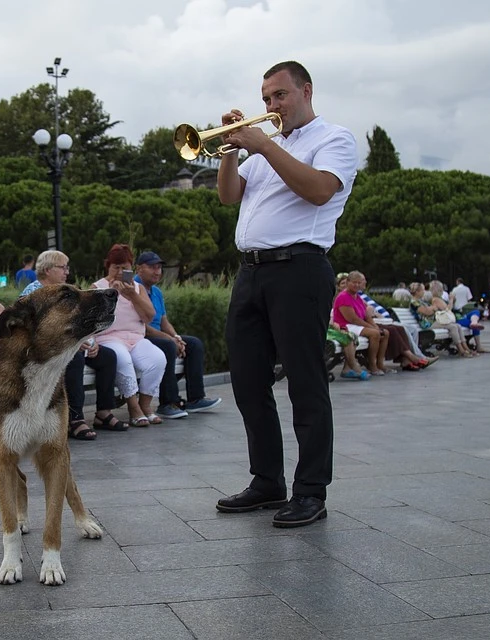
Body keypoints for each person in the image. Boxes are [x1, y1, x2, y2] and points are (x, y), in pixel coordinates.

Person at [214, 60, 358, 528]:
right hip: (252, 272)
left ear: (306, 90)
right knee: (248, 381)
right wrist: (232, 151)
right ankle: (267, 481)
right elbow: (229, 196)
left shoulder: (334, 139)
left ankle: (311, 490)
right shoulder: (264, 151)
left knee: (305, 382)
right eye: (266, 99)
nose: (272, 106)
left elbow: (318, 191)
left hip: (300, 269)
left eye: (279, 95)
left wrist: (261, 145)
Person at [20, 250, 127, 438]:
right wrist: (76, 343)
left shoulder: (69, 292)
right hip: (52, 351)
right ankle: (75, 419)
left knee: (108, 357)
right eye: (62, 267)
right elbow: (36, 332)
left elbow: (82, 320)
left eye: (67, 267)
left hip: (76, 344)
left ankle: (103, 412)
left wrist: (89, 340)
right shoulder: (33, 294)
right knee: (74, 359)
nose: (67, 272)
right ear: (47, 269)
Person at [134, 251, 221, 419]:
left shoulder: (156, 292)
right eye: (152, 267)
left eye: (159, 267)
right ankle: (168, 403)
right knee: (168, 346)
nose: (157, 271)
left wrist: (177, 337)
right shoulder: (134, 289)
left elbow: (164, 321)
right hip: (141, 338)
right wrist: (170, 339)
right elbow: (142, 327)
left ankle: (196, 399)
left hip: (159, 336)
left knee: (193, 344)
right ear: (139, 269)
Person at [92, 244, 167, 427]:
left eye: (124, 267)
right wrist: (111, 294)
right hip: (109, 338)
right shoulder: (98, 287)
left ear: (131, 268)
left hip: (135, 337)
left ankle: (145, 405)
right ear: (108, 267)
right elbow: (94, 321)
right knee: (122, 359)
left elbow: (149, 317)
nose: (119, 271)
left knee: (158, 358)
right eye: (115, 267)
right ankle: (134, 409)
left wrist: (132, 295)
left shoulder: (137, 288)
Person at [335, 271, 430, 373]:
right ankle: (372, 365)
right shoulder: (343, 297)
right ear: (348, 282)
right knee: (375, 334)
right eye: (354, 282)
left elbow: (365, 315)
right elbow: (352, 319)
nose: (357, 285)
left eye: (359, 283)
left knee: (385, 333)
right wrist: (371, 327)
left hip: (357, 324)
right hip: (346, 325)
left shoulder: (357, 297)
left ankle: (380, 364)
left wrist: (374, 325)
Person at [409, 282, 474, 357]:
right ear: (417, 292)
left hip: (433, 321)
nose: (424, 292)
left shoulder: (421, 301)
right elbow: (427, 312)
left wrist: (431, 308)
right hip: (427, 324)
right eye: (422, 290)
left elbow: (430, 309)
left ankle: (465, 348)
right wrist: (432, 308)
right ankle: (461, 350)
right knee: (453, 327)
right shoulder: (414, 302)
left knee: (457, 326)